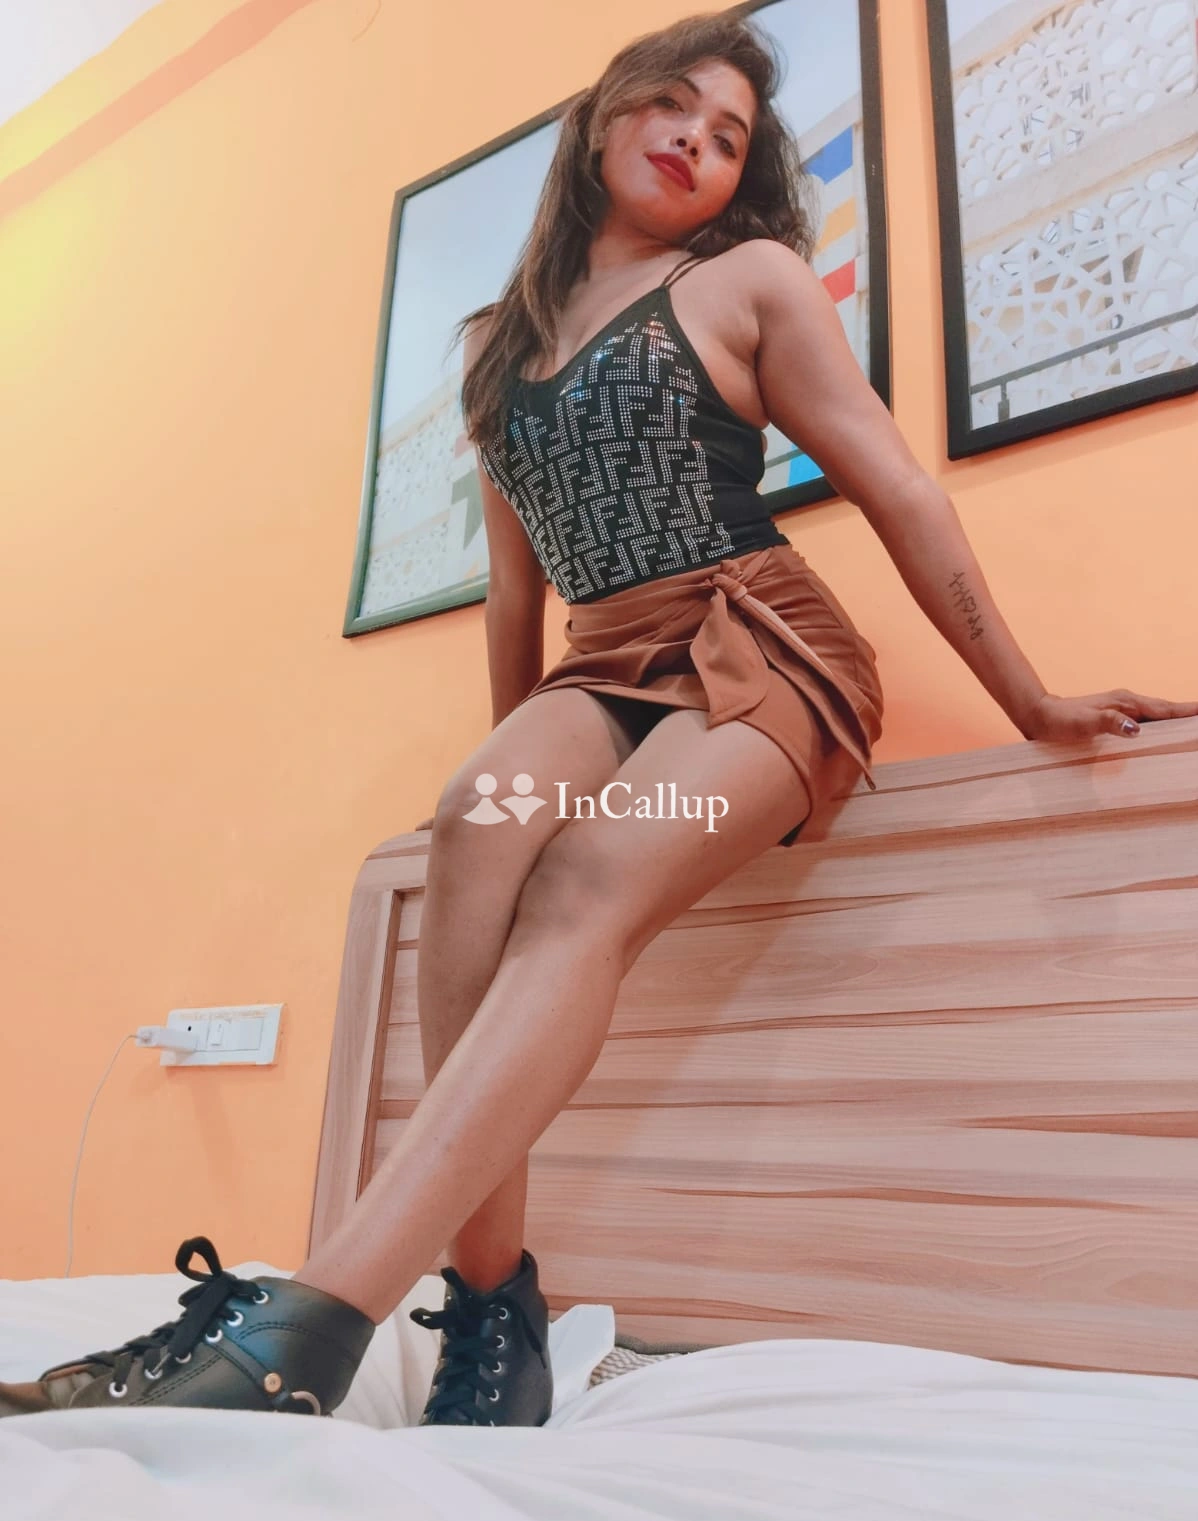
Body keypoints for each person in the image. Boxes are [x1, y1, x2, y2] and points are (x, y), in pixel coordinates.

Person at [5, 9, 1194, 1430]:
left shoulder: (747, 280)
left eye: (729, 137)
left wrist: (1028, 696)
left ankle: (311, 1320)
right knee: (472, 825)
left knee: (582, 883)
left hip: (760, 652)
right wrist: (508, 770)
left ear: (741, 179)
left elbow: (896, 482)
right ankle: (494, 1314)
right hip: (601, 668)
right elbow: (516, 597)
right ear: (604, 117)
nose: (696, 139)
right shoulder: (493, 353)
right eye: (673, 105)